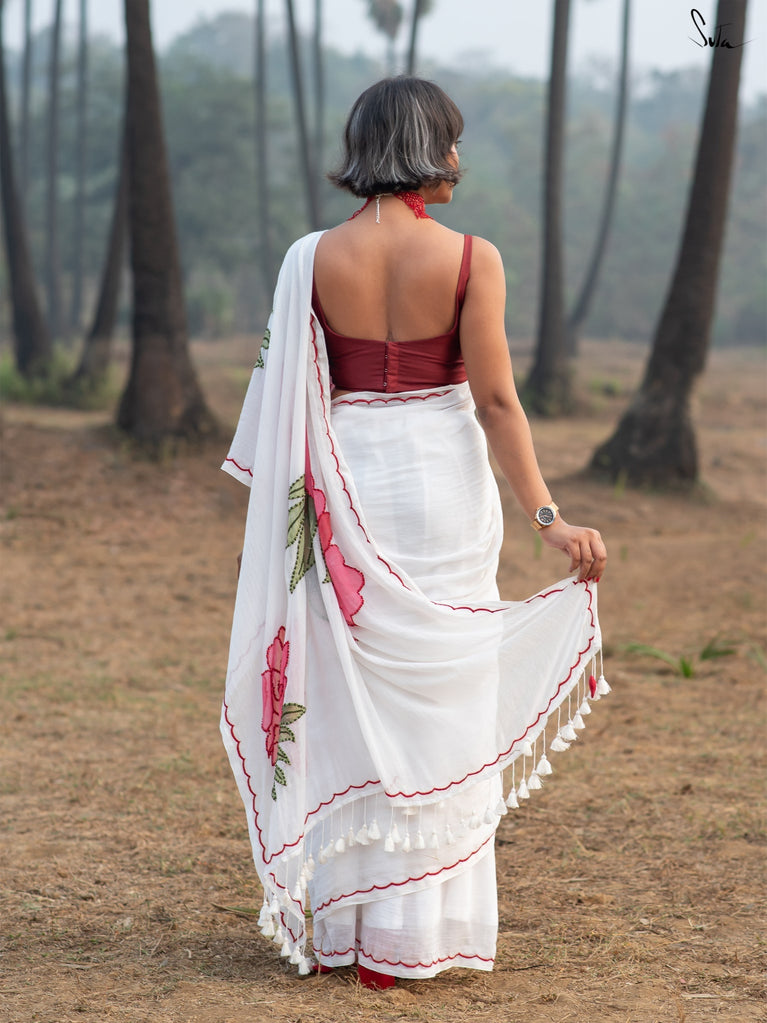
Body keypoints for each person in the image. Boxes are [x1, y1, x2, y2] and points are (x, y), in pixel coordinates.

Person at [221, 76, 608, 991]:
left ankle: (351, 930)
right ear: (425, 149)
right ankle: (419, 930)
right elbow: (496, 400)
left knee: (354, 692)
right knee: (447, 689)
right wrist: (548, 517)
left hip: (348, 476)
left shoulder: (309, 258)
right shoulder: (472, 258)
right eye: (451, 140)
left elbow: (294, 392)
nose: (459, 158)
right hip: (440, 477)